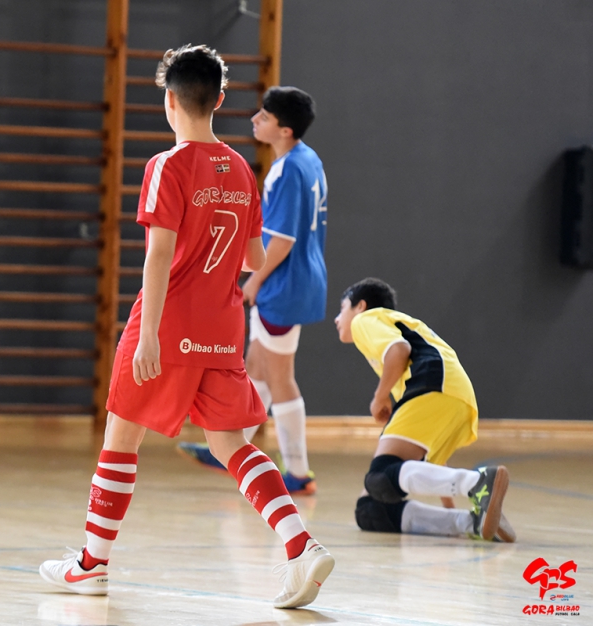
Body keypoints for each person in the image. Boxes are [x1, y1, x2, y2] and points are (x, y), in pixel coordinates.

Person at [39, 45, 334, 609]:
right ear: (219, 100)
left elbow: (158, 255)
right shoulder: (243, 170)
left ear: (169, 101)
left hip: (168, 324)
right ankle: (302, 544)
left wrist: (149, 334)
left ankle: (91, 565)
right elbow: (252, 257)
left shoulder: (166, 166)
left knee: (120, 440)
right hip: (221, 328)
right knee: (231, 444)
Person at [178, 86, 327, 497]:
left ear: (284, 129)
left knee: (280, 377)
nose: (254, 120)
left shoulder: (287, 170)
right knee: (255, 366)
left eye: (264, 116)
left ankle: (298, 471)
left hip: (284, 284)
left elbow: (281, 240)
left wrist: (255, 281)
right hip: (303, 279)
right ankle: (232, 447)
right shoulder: (309, 160)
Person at [334, 278, 515, 542]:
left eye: (342, 309)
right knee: (371, 509)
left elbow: (399, 350)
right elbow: (434, 464)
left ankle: (477, 483)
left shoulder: (366, 319)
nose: (337, 318)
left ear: (360, 306)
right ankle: (472, 522)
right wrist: (453, 505)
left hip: (434, 382)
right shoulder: (398, 331)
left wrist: (379, 397)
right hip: (452, 392)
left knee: (381, 475)